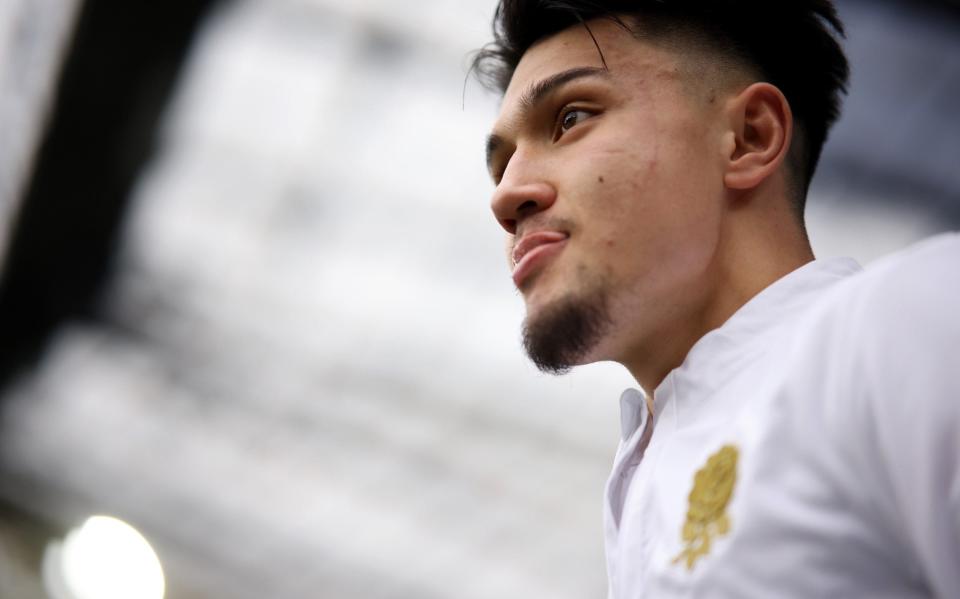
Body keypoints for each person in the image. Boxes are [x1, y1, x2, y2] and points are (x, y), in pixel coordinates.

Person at [471, 1, 960, 597]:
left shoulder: (905, 323)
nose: (506, 197)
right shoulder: (643, 485)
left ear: (749, 138)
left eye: (571, 118)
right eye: (501, 167)